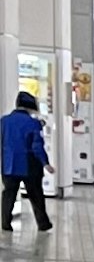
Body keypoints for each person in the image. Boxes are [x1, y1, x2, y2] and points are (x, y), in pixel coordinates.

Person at [0, 88, 49, 230]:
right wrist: (45, 163)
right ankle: (43, 223)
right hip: (30, 165)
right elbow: (37, 146)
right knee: (36, 195)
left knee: (9, 194)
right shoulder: (34, 123)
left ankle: (5, 223)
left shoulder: (4, 121)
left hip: (8, 164)